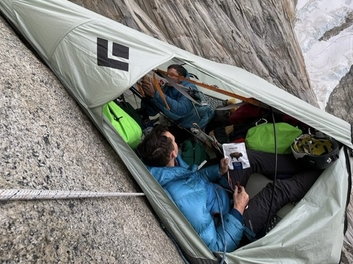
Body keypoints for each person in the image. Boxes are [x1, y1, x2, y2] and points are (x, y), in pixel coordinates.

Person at [138, 125, 322, 253]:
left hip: (219, 193)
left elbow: (190, 180)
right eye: (175, 141)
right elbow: (217, 247)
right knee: (279, 190)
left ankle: (303, 160)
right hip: (234, 223)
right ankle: (321, 169)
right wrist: (238, 209)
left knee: (244, 158)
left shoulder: (162, 168)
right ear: (173, 153)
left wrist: (218, 170)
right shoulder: (184, 203)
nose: (177, 142)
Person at [140, 64, 214, 142]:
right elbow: (151, 112)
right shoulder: (167, 88)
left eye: (171, 75)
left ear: (181, 78)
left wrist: (156, 94)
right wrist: (149, 95)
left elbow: (181, 110)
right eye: (167, 74)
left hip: (205, 123)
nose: (167, 77)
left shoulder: (189, 89)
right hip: (185, 125)